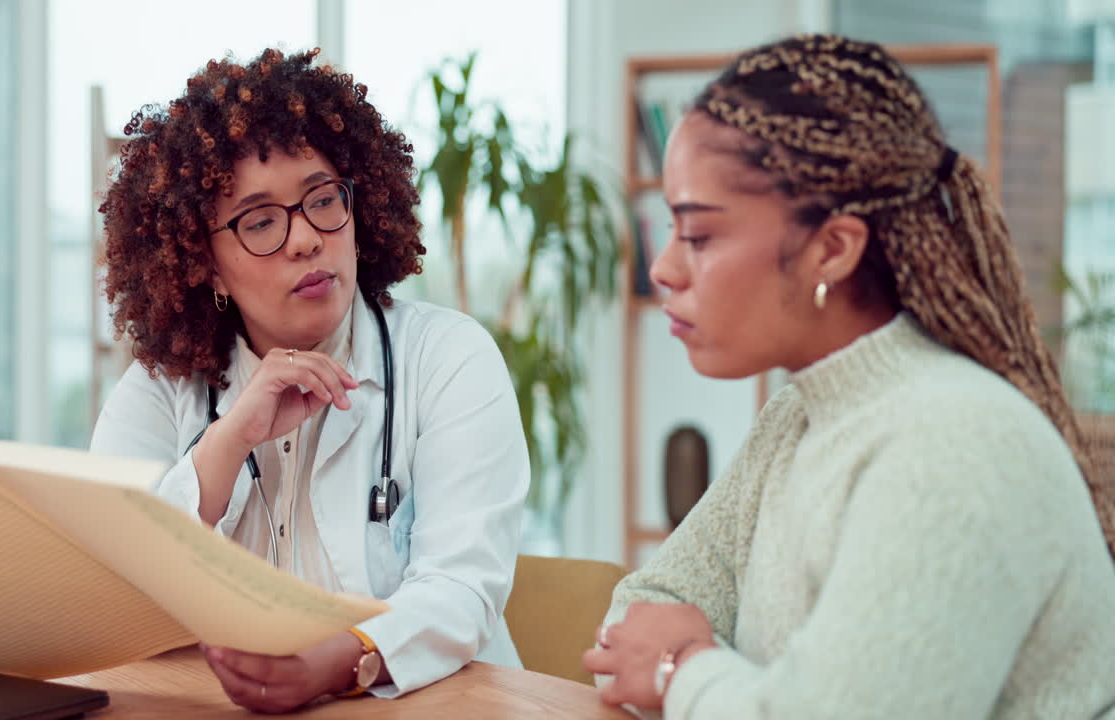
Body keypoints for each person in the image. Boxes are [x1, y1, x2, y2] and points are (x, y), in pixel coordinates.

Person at [583, 34, 1115, 719]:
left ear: (833, 248)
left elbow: (664, 660)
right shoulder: (798, 417)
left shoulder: (955, 444)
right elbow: (634, 621)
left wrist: (682, 669)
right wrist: (716, 682)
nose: (662, 269)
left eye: (699, 235)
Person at [90, 48, 529, 713]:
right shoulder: (159, 393)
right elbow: (111, 580)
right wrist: (229, 440)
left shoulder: (447, 359)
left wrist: (335, 661)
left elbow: (462, 587)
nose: (305, 239)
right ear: (203, 262)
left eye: (323, 200)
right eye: (261, 221)